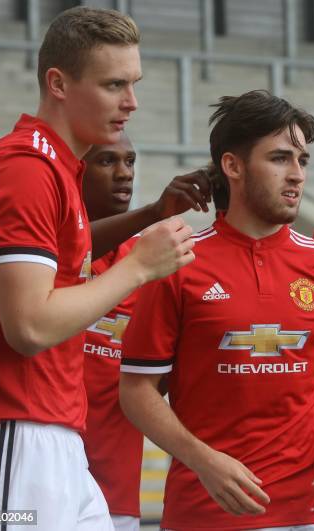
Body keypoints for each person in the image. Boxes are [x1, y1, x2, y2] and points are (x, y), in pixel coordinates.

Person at [0, 7, 201, 531]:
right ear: (58, 82)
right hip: (12, 436)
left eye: (133, 83)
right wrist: (139, 266)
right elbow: (28, 326)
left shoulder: (53, 168)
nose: (131, 102)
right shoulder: (26, 169)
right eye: (114, 84)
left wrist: (151, 219)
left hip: (56, 440)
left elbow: (66, 258)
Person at [119, 90, 314, 531]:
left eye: (302, 161)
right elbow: (136, 391)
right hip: (205, 513)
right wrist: (202, 461)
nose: (296, 176)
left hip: (306, 515)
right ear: (232, 166)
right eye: (279, 159)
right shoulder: (177, 261)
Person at [80, 134, 211, 531]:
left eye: (131, 161)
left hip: (116, 491)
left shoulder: (150, 265)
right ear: (75, 170)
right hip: (28, 470)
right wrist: (154, 212)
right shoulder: (33, 255)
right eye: (106, 161)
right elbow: (68, 245)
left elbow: (157, 380)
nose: (124, 174)